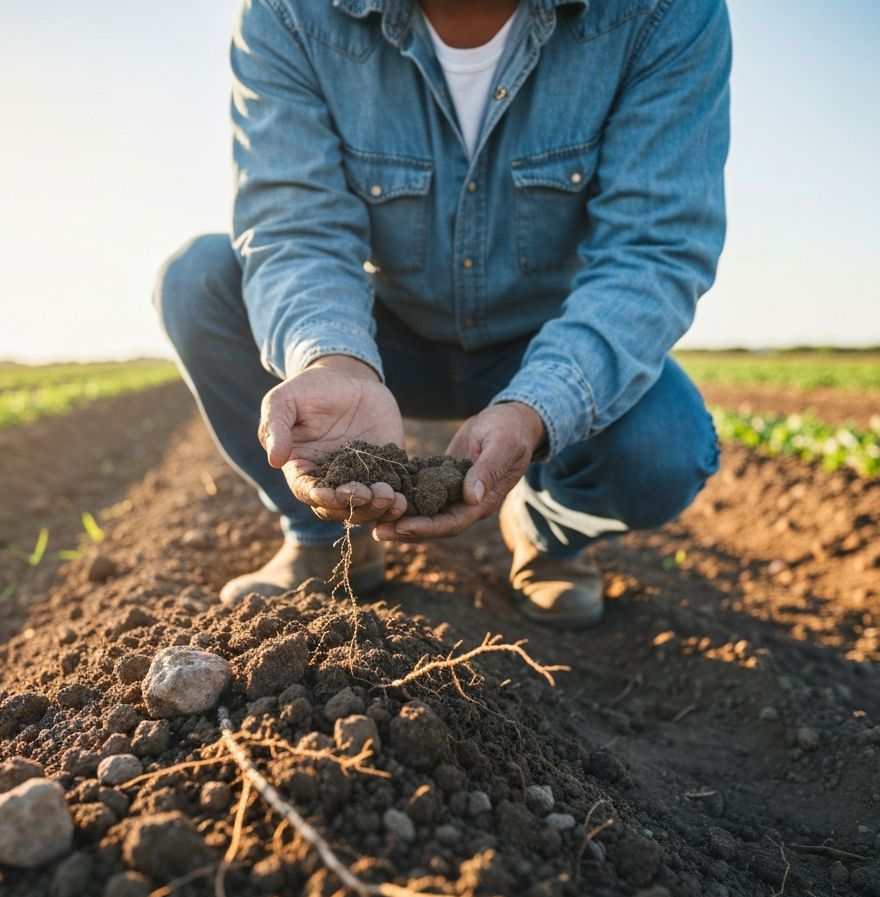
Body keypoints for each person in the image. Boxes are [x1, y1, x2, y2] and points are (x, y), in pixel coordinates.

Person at [155, 0, 730, 628]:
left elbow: (652, 249)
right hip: (381, 339)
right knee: (199, 279)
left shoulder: (661, 13)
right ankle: (326, 540)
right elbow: (296, 226)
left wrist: (537, 408)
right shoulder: (293, 12)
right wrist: (334, 361)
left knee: (665, 446)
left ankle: (547, 533)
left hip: (539, 346)